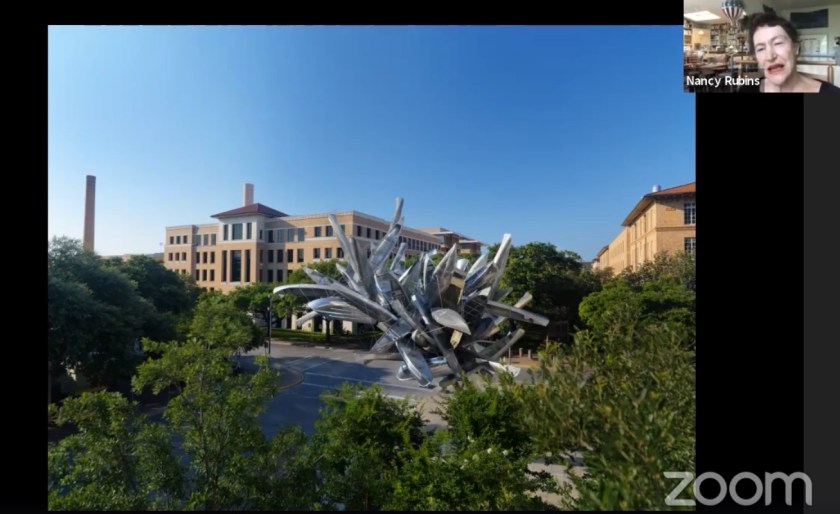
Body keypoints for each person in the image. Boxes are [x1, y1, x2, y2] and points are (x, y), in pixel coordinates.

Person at [736, 12, 840, 93]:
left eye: (778, 43)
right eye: (760, 49)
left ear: (795, 48)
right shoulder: (746, 90)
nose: (770, 56)